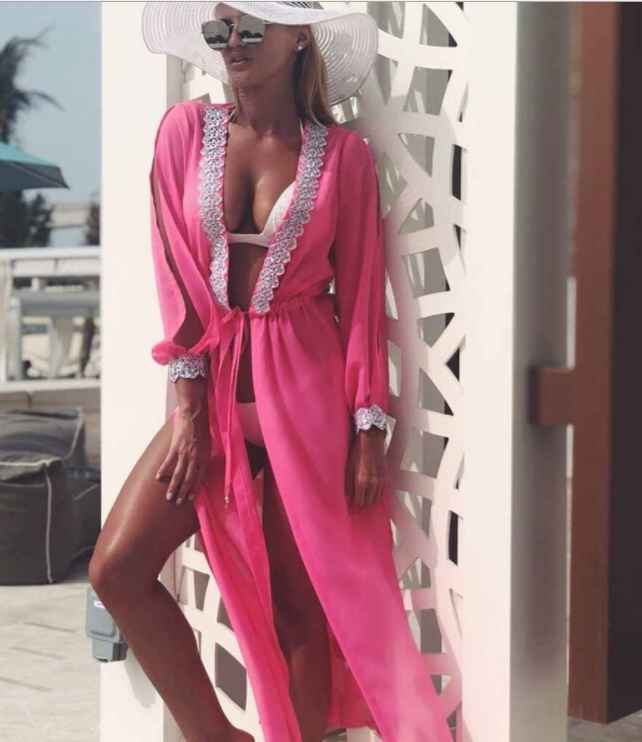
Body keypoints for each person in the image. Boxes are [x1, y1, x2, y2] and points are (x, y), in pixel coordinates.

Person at [89, 3, 455, 741]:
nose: (233, 43)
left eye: (252, 28)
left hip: (309, 396)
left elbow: (360, 295)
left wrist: (368, 429)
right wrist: (190, 410)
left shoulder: (343, 157)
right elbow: (175, 276)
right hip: (215, 391)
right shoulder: (184, 132)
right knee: (117, 570)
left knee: (300, 606)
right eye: (220, 30)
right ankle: (218, 737)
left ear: (298, 38)